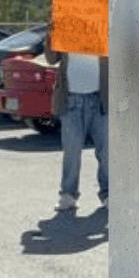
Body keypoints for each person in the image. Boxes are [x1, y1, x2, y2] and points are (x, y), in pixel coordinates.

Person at [44, 41, 107, 211]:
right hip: (71, 99)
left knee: (107, 151)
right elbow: (51, 58)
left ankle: (108, 194)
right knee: (71, 151)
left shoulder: (104, 19)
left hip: (100, 99)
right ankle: (68, 194)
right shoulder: (66, 21)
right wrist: (52, 29)